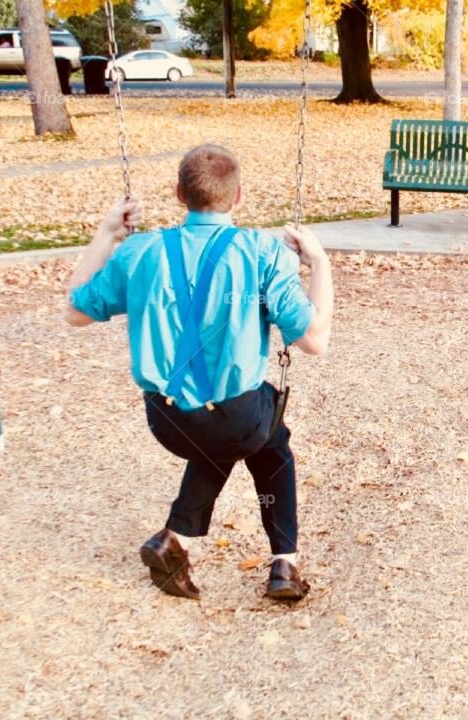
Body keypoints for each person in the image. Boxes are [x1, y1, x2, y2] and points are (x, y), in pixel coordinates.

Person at [64, 144, 333, 602]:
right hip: (234, 415)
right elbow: (315, 341)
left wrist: (108, 233)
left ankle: (178, 541)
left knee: (244, 435)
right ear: (239, 196)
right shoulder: (262, 253)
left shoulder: (141, 251)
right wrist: (320, 264)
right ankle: (282, 563)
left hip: (165, 421)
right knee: (260, 436)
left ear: (178, 195)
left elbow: (74, 310)